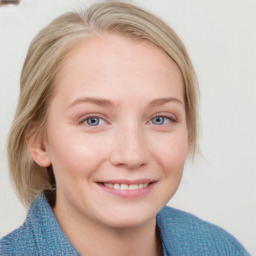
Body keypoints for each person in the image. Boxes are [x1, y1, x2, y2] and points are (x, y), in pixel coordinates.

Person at [0, 1, 250, 255]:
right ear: (39, 142)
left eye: (159, 119)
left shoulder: (221, 248)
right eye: (93, 120)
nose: (133, 155)